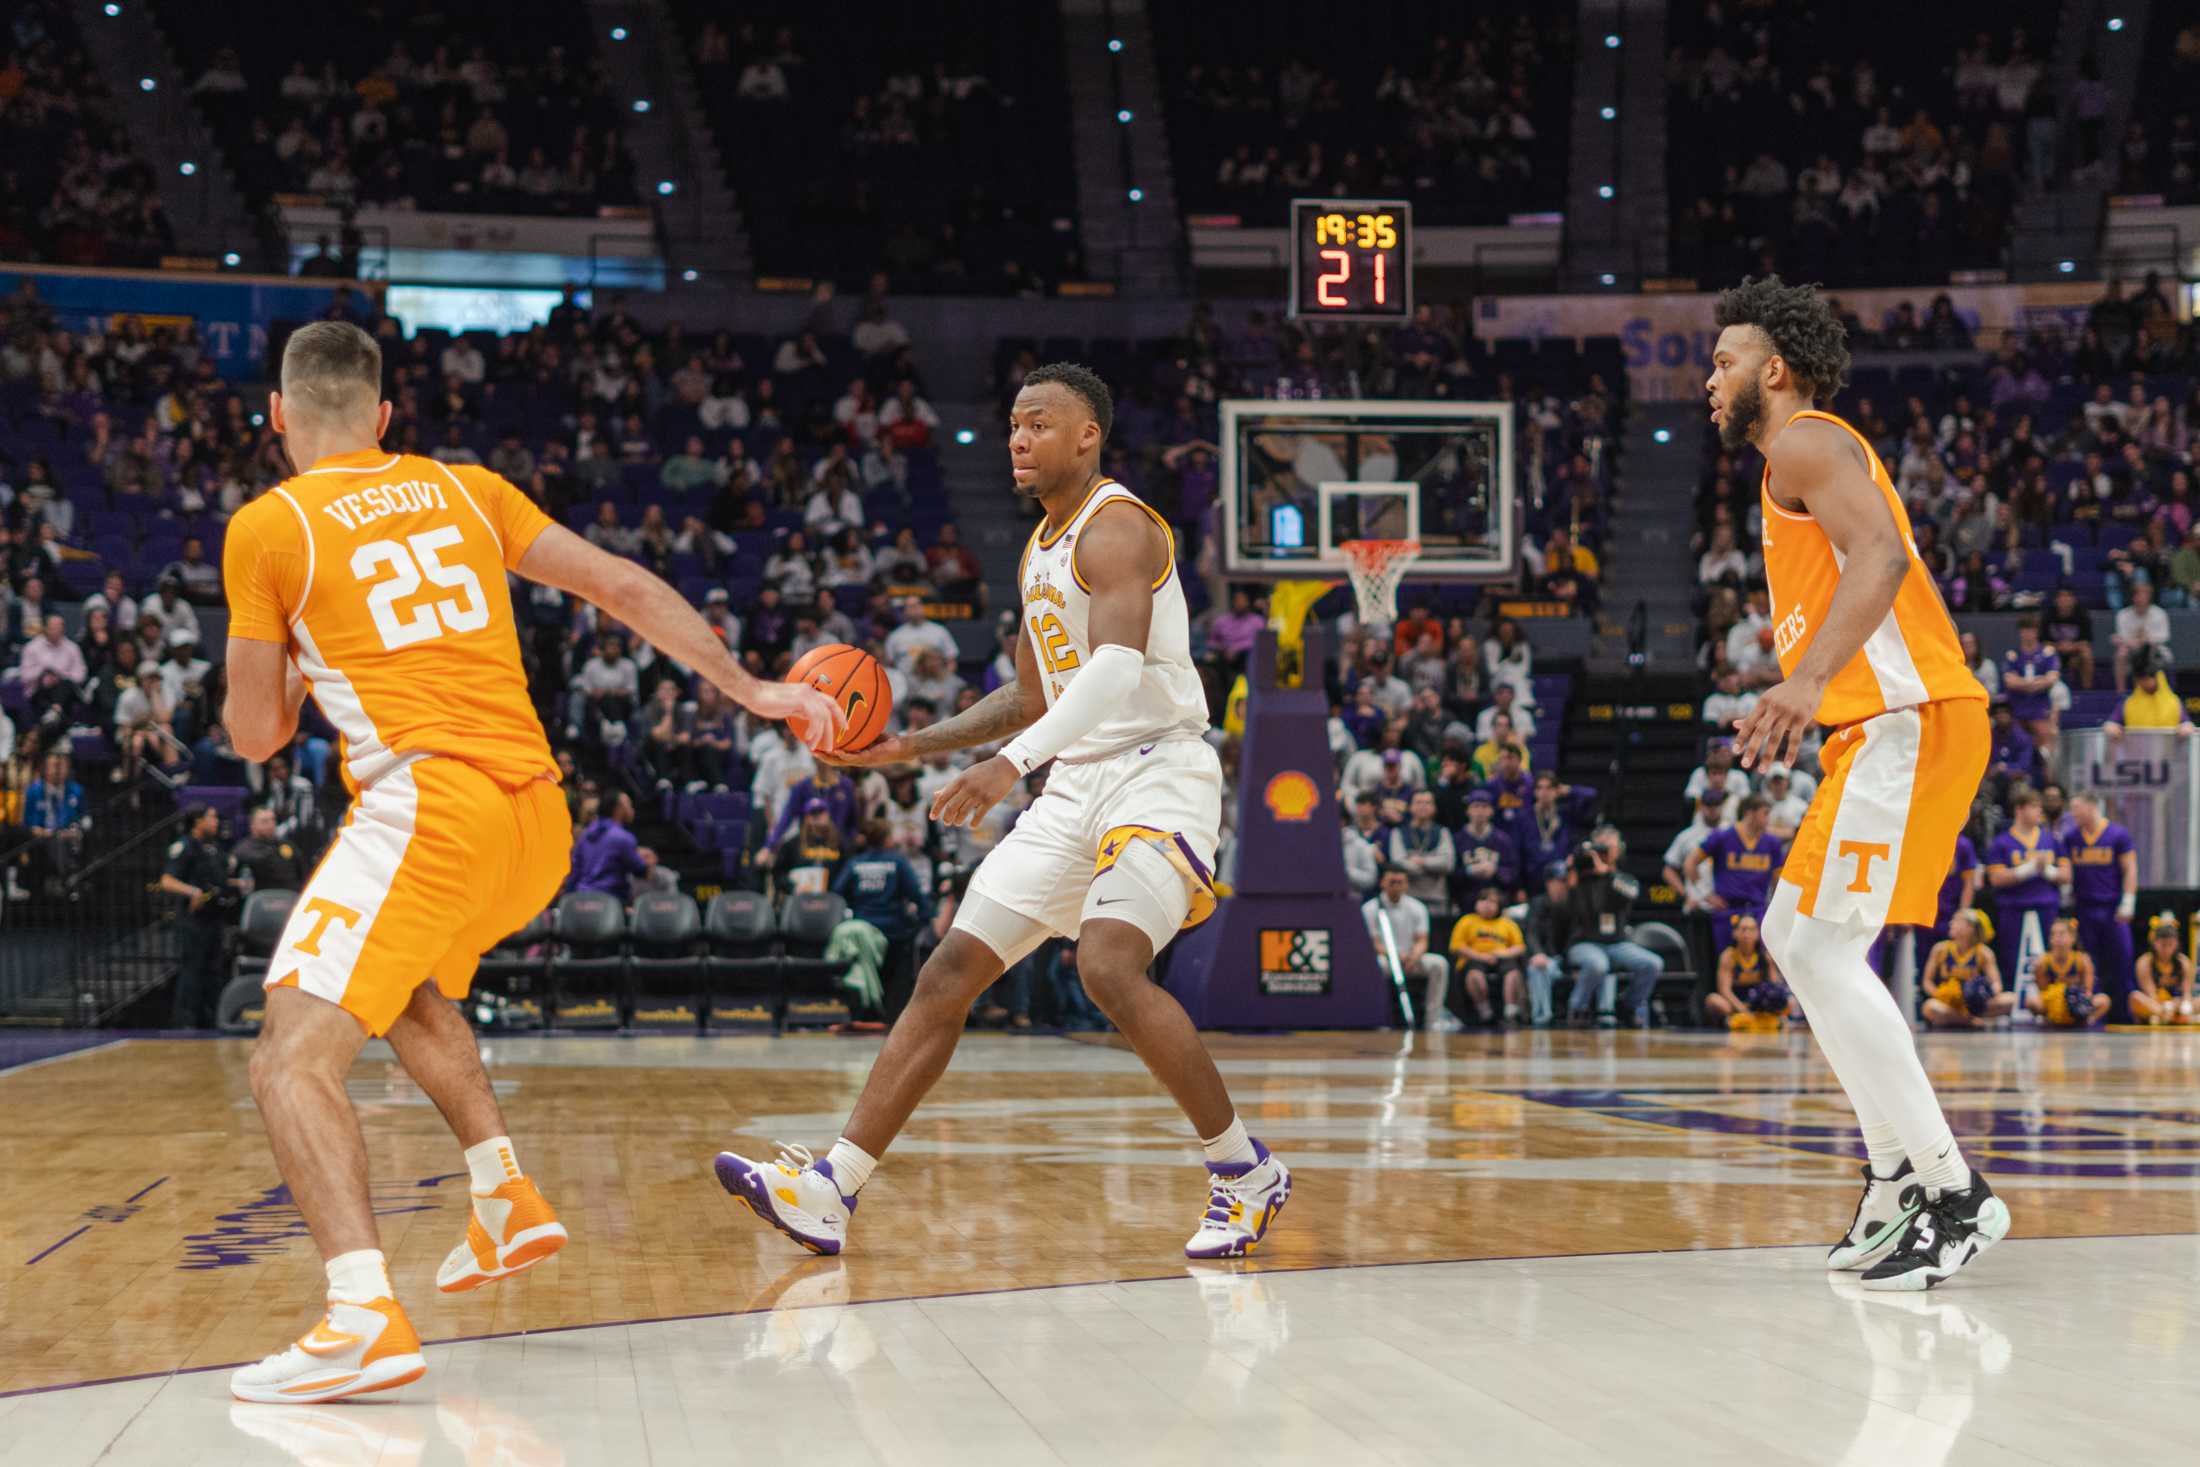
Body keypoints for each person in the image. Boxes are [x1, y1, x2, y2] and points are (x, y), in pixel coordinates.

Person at [218, 321, 839, 1405]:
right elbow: (619, 586)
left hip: (428, 804)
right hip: (534, 822)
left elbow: (255, 736)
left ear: (277, 416)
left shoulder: (268, 526)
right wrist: (751, 689)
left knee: (287, 1056)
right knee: (402, 986)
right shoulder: (467, 489)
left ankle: (361, 1313)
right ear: (385, 418)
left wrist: (302, 666)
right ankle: (503, 1196)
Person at [716, 364, 1291, 1261]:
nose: (1018, 440)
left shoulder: (1120, 529)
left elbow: (1114, 670)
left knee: (1108, 963)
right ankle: (831, 1188)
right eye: (1013, 425)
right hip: (1074, 783)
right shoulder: (1040, 551)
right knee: (948, 972)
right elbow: (1028, 696)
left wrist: (1007, 768)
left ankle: (1243, 1171)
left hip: (1157, 771)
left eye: (1038, 423)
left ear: (1087, 435)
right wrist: (905, 746)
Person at [1707, 275, 2005, 1290]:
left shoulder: (1804, 440)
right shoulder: (1790, 464)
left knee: (1822, 946)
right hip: (1876, 727)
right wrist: (1808, 693)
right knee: (1799, 941)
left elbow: (1879, 555)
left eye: (1724, 359)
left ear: (1773, 370)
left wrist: (1803, 683)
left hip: (1904, 720)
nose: (1710, 378)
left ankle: (1949, 1191)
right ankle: (1891, 1181)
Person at [1554, 840, 1661, 1026]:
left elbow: (1632, 893)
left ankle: (1630, 1006)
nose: (1593, 861)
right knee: (1598, 964)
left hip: (1616, 943)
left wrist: (1607, 873)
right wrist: (1571, 875)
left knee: (1652, 964)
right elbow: (1561, 910)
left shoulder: (1619, 878)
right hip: (1583, 943)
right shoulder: (1576, 882)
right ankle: (1578, 1008)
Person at [1984, 785, 2067, 986]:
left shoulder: (2050, 839)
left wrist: (2048, 871)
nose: (2040, 811)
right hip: (2014, 908)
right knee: (2012, 958)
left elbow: (2066, 874)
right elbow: (1995, 878)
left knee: (2047, 958)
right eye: (2034, 806)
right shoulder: (2002, 842)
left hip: (2046, 906)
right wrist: (2028, 869)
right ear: (2019, 810)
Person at [2064, 790, 2137, 1015]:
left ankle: (2126, 1014)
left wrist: (2128, 900)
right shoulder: (2072, 837)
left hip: (2113, 908)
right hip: (2084, 908)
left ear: (2091, 805)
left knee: (2122, 961)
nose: (2073, 813)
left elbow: (2130, 868)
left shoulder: (2118, 834)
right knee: (2089, 965)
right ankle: (2091, 1013)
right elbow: (2067, 871)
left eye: (2077, 807)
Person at [1685, 793, 1786, 957]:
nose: (1768, 819)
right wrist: (1706, 895)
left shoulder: (1772, 843)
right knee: (1727, 961)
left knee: (1764, 963)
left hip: (1758, 910)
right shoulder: (1722, 836)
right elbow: (1690, 864)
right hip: (1728, 910)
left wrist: (1776, 909)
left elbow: (1777, 881)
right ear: (1749, 813)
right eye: (1765, 813)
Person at [159, 803, 232, 1029]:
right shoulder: (185, 847)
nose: (216, 821)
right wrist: (193, 892)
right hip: (193, 920)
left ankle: (213, 1019)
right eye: (211, 817)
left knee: (214, 971)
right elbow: (167, 881)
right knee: (192, 970)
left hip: (214, 919)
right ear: (197, 821)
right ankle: (185, 1022)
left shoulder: (214, 848)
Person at [1363, 863, 1455, 1031]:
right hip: (1387, 960)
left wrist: (1413, 957)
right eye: (1392, 882)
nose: (1397, 886)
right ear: (1382, 882)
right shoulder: (1370, 908)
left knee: (1439, 964)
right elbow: (1373, 943)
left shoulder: (1417, 907)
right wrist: (1395, 956)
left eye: (1400, 882)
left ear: (1407, 884)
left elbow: (1422, 940)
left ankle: (1432, 1020)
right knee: (1375, 965)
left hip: (1411, 960)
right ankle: (1381, 1018)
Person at [1447, 886, 1527, 1025]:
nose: (1487, 905)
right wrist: (1480, 956)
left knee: (1512, 972)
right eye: (1483, 901)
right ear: (1476, 904)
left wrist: (1504, 953)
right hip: (1474, 958)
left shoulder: (1507, 923)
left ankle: (1511, 1010)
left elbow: (1520, 947)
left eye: (1492, 902)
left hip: (1501, 957)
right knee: (1474, 974)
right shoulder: (1467, 920)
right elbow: (1456, 946)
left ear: (1499, 906)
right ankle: (1484, 1010)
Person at [1918, 911, 2012, 1029]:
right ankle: (1969, 1021)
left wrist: (1984, 995)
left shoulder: (1983, 952)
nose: (1951, 923)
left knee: (2011, 999)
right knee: (1929, 1007)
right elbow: (1927, 982)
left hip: (1974, 1004)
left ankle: (1960, 1019)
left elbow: (1997, 983)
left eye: (1957, 921)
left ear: (1970, 928)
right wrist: (1941, 994)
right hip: (1949, 1004)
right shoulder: (1940, 949)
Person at [1703, 913, 1791, 1028]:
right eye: (1743, 929)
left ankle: (1748, 1021)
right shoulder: (1729, 956)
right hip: (1735, 1004)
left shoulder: (1764, 956)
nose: (1747, 934)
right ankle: (1730, 1021)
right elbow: (1724, 990)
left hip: (1759, 1003)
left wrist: (1771, 1003)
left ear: (1757, 934)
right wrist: (1743, 1009)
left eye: (1752, 929)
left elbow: (1774, 985)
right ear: (1735, 933)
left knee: (1788, 1002)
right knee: (1713, 1000)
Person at [566, 791, 656, 896]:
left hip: (581, 899)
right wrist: (649, 862)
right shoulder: (623, 837)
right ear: (618, 809)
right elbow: (641, 871)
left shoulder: (585, 835)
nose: (632, 809)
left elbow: (574, 874)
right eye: (629, 804)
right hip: (609, 902)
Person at [2000, 616, 2061, 765]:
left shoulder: (2047, 653)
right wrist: (2035, 683)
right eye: (2024, 630)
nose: (2028, 634)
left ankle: (2049, 781)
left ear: (2036, 632)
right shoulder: (2013, 655)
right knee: (2016, 743)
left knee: (2046, 744)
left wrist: (2024, 683)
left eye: (2031, 630)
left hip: (2039, 710)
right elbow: (2009, 681)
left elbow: (2052, 678)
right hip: (2017, 710)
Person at [2026, 919, 2108, 1026]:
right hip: (2053, 1005)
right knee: (2031, 1001)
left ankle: (2086, 1022)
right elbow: (2043, 991)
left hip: (2076, 1004)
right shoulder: (2043, 962)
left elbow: (2088, 991)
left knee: (2103, 1000)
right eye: (2053, 934)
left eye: (2062, 934)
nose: (2057, 938)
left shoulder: (2082, 960)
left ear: (2073, 937)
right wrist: (2059, 998)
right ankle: (2048, 1021)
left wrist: (2075, 999)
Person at [2130, 915, 2195, 1023]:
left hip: (2177, 1006)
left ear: (2177, 944)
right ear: (2154, 943)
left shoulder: (2183, 962)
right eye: (2163, 945)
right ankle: (2173, 1018)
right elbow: (2151, 995)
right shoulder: (2145, 962)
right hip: (2155, 1006)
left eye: (2170, 945)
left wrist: (2181, 1005)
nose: (2167, 949)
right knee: (2135, 997)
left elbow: (2187, 994)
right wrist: (2165, 1007)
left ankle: (2171, 1017)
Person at [232, 805, 306, 891]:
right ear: (252, 825)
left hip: (290, 897)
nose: (271, 824)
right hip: (262, 898)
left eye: (273, 820)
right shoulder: (244, 848)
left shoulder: (286, 845)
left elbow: (302, 870)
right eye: (264, 821)